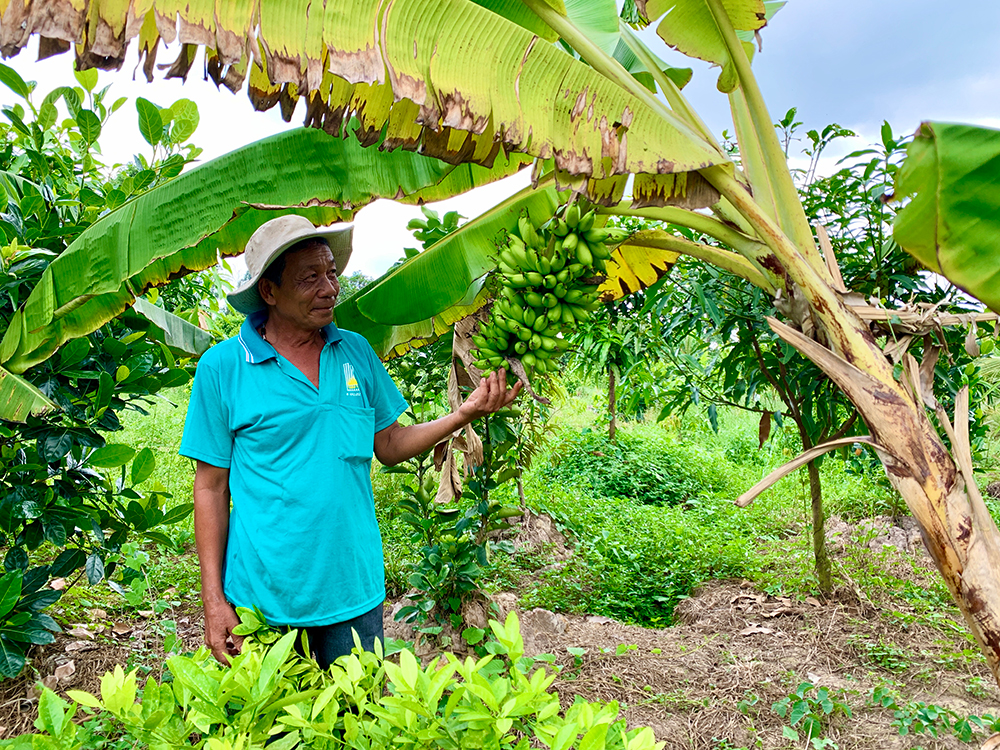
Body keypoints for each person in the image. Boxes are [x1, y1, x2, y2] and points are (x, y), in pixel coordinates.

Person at [179, 215, 521, 667]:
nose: (329, 288)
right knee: (273, 730)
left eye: (332, 273)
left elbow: (390, 442)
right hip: (262, 599)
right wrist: (213, 600)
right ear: (269, 291)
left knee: (356, 721)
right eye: (309, 278)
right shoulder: (223, 367)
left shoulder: (355, 351)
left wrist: (463, 414)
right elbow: (210, 488)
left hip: (353, 590)